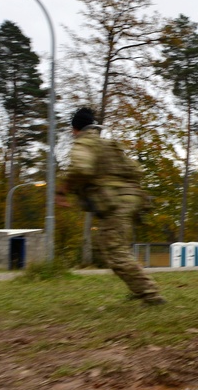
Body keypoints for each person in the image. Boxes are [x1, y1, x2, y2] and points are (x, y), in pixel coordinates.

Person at [59, 107, 165, 305]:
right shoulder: (107, 144)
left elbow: (81, 168)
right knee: (112, 247)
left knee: (115, 251)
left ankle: (150, 294)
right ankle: (140, 289)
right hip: (131, 200)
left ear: (74, 129)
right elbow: (136, 170)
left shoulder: (84, 142)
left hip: (116, 205)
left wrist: (63, 189)